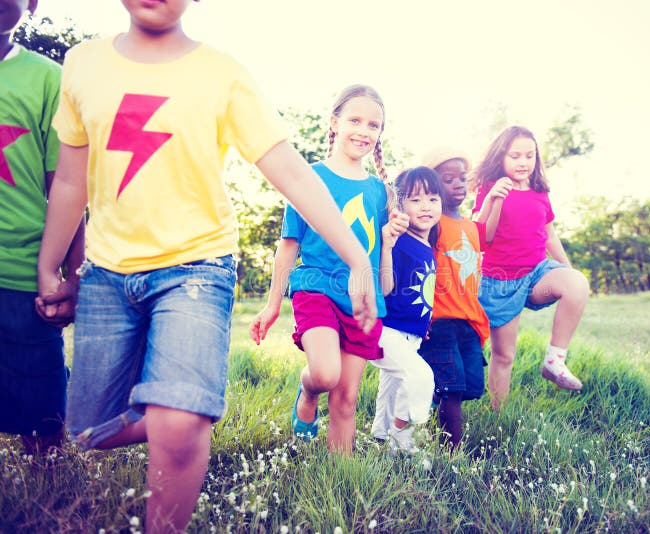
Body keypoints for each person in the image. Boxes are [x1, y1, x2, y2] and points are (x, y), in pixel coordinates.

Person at [36, 2, 378, 532]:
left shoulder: (222, 74)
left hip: (196, 268)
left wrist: (358, 257)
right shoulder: (83, 65)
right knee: (87, 432)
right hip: (106, 272)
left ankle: (183, 420)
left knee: (178, 421)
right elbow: (69, 182)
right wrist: (50, 265)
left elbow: (291, 173)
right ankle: (179, 411)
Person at [250, 84, 408, 455]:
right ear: (334, 122)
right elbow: (287, 245)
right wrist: (273, 303)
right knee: (325, 374)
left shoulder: (381, 192)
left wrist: (388, 242)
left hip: (363, 300)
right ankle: (307, 393)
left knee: (347, 397)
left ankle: (341, 475)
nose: (364, 131)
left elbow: (381, 268)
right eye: (355, 120)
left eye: (373, 125)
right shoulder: (308, 178)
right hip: (317, 287)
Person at [0, 0, 84, 456]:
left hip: (24, 273)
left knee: (44, 411)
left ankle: (49, 495)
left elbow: (68, 187)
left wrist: (73, 277)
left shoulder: (51, 79)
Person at [472, 125, 589, 408]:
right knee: (504, 355)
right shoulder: (490, 188)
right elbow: (478, 231)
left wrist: (566, 268)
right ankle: (498, 412)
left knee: (577, 283)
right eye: (515, 156)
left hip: (536, 272)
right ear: (500, 157)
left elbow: (549, 234)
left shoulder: (539, 191)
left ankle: (554, 360)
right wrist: (493, 198)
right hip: (499, 280)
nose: (523, 162)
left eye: (529, 155)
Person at [418, 148, 490, 450]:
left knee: (471, 385)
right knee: (453, 388)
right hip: (441, 320)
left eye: (462, 178)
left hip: (469, 318)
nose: (458, 184)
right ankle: (452, 453)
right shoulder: (432, 225)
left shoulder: (471, 227)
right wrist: (423, 316)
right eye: (448, 180)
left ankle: (429, 400)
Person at [370, 166, 441, 454]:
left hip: (410, 333)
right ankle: (408, 441)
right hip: (386, 331)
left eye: (432, 198)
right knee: (419, 378)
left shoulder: (426, 244)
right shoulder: (399, 242)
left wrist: (424, 325)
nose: (425, 206)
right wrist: (387, 248)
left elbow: (421, 291)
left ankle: (381, 439)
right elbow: (385, 288)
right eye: (415, 199)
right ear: (399, 206)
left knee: (392, 391)